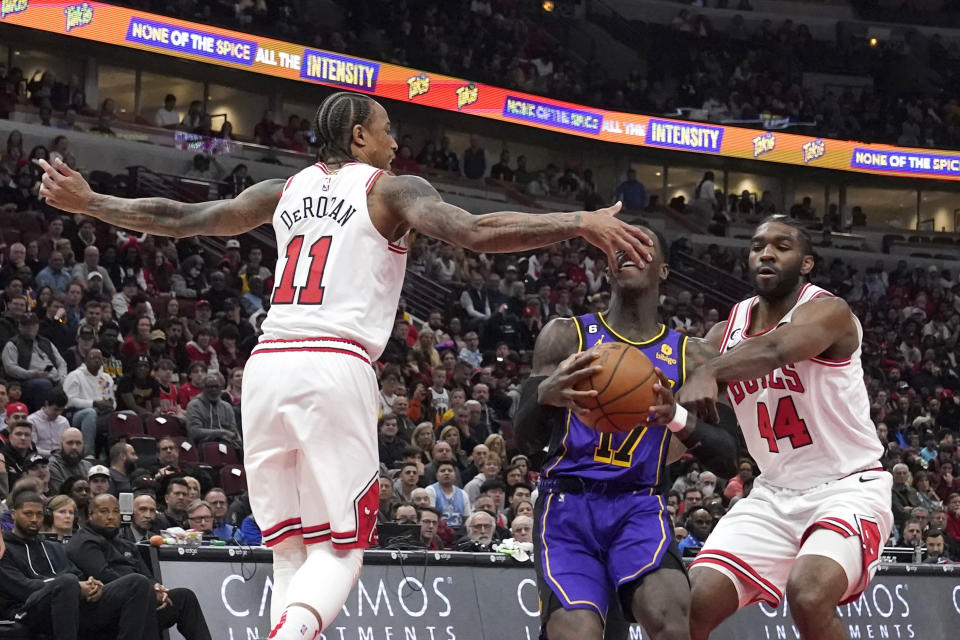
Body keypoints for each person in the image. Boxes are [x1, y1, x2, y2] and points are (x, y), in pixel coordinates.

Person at [38, 90, 654, 640]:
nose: (395, 141)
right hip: (333, 365)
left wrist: (92, 201)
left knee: (291, 547)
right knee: (344, 552)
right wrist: (577, 219)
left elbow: (181, 218)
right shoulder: (391, 188)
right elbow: (476, 230)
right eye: (387, 128)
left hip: (265, 367)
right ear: (358, 135)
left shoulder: (283, 190)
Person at [513, 226, 737, 640]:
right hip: (567, 507)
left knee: (672, 621)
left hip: (639, 505)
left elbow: (727, 458)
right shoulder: (566, 335)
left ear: (664, 270)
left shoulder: (695, 355)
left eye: (643, 245)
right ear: (607, 268)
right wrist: (545, 395)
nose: (629, 252)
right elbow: (522, 440)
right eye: (619, 247)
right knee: (576, 634)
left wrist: (675, 416)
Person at [678, 216, 894, 640]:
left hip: (847, 488)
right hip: (772, 495)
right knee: (692, 605)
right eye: (758, 245)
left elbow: (779, 347)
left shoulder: (830, 312)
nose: (767, 253)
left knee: (809, 595)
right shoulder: (727, 331)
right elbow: (692, 404)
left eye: (782, 246)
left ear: (806, 263)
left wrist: (710, 371)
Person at [0, 490, 160, 640]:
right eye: (28, 514)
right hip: (26, 609)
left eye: (39, 514)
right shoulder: (4, 548)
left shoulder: (51, 545)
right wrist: (75, 585)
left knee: (137, 582)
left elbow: (77, 574)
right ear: (14, 514)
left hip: (70, 601)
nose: (34, 519)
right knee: (67, 581)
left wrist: (92, 585)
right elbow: (21, 587)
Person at [67, 494, 212, 640]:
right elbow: (103, 574)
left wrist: (157, 589)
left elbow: (147, 575)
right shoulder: (84, 540)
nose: (111, 516)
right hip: (100, 608)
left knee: (184, 597)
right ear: (91, 515)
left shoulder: (125, 543)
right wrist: (147, 590)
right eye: (104, 511)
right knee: (137, 583)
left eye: (116, 511)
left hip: (139, 600)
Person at [27, 388, 70, 457]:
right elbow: (31, 448)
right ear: (46, 404)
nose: (59, 413)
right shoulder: (32, 420)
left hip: (61, 459)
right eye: (56, 409)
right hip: (39, 459)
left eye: (61, 410)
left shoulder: (64, 422)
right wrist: (52, 454)